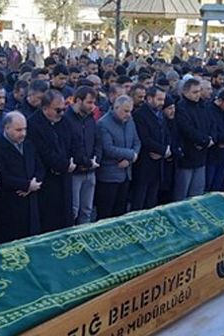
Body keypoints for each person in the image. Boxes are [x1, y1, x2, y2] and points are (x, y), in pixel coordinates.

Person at [0, 112, 44, 245]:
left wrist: (34, 184)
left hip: (31, 202)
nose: (23, 133)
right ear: (6, 128)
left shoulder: (29, 145)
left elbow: (40, 168)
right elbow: (1, 176)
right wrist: (25, 185)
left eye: (25, 129)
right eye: (18, 130)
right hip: (9, 207)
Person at [27, 89, 76, 232]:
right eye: (57, 110)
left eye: (63, 109)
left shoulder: (64, 120)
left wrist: (72, 162)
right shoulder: (34, 124)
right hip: (47, 179)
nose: (61, 113)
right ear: (45, 108)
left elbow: (74, 142)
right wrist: (64, 165)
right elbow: (43, 152)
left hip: (65, 175)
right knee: (49, 220)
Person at [95, 95, 140, 220]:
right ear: (116, 107)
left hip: (125, 174)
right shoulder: (103, 124)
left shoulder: (130, 121)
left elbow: (137, 142)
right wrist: (131, 155)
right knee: (105, 213)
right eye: (126, 111)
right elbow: (108, 148)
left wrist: (131, 157)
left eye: (130, 110)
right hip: (109, 176)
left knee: (121, 212)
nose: (129, 114)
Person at [64, 85, 100, 224]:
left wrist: (95, 159)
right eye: (89, 102)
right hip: (75, 172)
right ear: (78, 100)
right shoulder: (67, 118)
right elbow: (72, 146)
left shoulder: (90, 118)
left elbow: (97, 140)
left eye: (94, 102)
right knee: (73, 210)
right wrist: (85, 162)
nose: (93, 106)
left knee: (87, 210)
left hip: (91, 170)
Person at [173, 78, 212, 201]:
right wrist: (202, 141)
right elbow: (186, 129)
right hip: (187, 154)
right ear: (185, 92)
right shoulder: (181, 107)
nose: (198, 95)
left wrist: (206, 140)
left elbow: (208, 125)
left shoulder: (202, 106)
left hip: (201, 154)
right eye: (194, 92)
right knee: (182, 192)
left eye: (199, 91)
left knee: (197, 193)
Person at [131, 86, 168, 210]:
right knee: (139, 200)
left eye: (163, 100)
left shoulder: (161, 115)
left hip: (158, 165)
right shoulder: (139, 115)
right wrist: (162, 150)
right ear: (149, 98)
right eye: (159, 99)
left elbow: (166, 134)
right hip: (144, 164)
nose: (162, 103)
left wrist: (163, 152)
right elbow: (144, 139)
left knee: (151, 200)